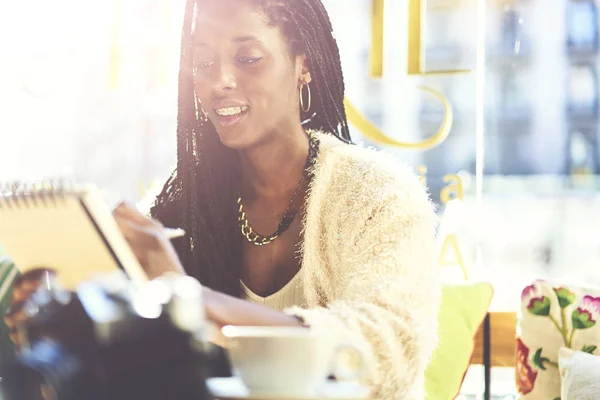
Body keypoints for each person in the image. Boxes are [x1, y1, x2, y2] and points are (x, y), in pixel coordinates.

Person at [5, 0, 441, 398]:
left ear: (303, 65)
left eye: (248, 58)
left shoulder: (376, 195)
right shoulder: (180, 204)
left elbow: (384, 346)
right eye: (204, 63)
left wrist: (186, 300)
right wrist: (62, 323)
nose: (221, 81)